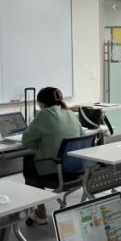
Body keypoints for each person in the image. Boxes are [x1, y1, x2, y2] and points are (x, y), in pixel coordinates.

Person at [21, 87, 83, 223]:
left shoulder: (44, 115)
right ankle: (39, 209)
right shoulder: (70, 113)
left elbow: (26, 141)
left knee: (28, 162)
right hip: (77, 171)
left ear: (41, 103)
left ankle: (41, 211)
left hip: (55, 173)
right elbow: (81, 134)